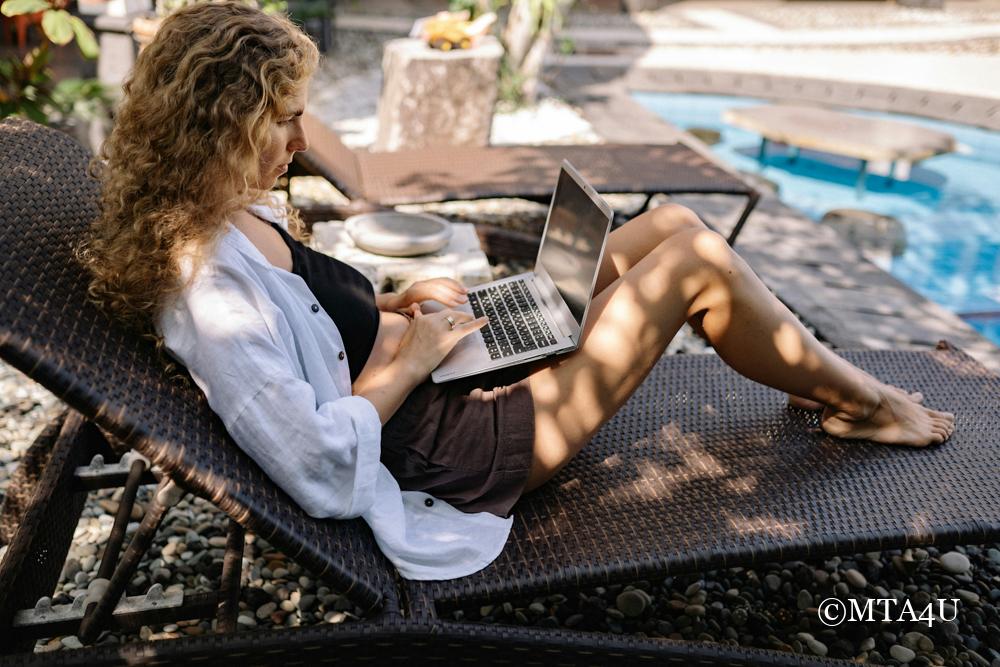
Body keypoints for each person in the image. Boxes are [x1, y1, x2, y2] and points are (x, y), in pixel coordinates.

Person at [79, 1, 954, 580]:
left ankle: (822, 385)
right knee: (698, 265)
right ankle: (870, 402)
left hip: (448, 374)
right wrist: (414, 359)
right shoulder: (206, 289)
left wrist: (395, 306)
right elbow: (316, 465)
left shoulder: (230, 209)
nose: (302, 139)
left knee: (672, 224)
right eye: (282, 120)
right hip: (461, 447)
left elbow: (313, 323)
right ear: (221, 126)